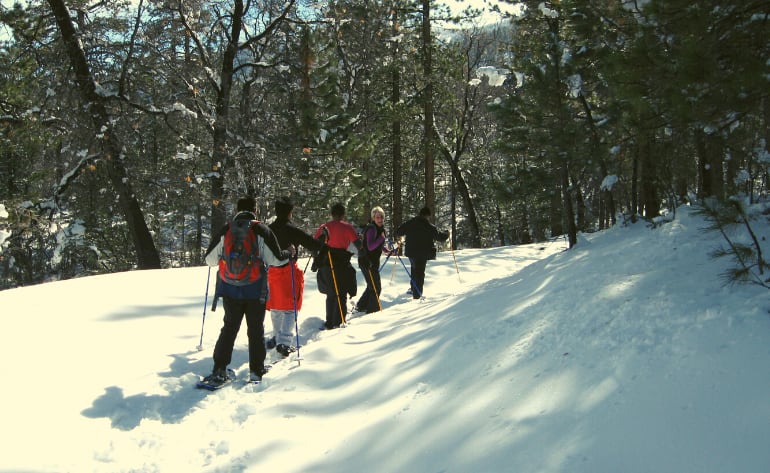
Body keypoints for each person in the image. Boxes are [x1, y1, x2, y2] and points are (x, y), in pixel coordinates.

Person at [202, 196, 294, 385]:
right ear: (255, 210)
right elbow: (276, 259)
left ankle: (219, 368)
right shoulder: (260, 229)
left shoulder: (227, 229)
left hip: (229, 289)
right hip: (255, 290)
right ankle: (256, 370)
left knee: (229, 328)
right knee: (255, 329)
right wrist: (289, 252)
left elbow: (209, 260)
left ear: (238, 210)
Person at [266, 196, 325, 357]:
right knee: (291, 307)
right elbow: (312, 244)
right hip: (288, 271)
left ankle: (277, 337)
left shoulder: (268, 229)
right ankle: (284, 342)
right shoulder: (292, 230)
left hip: (271, 272)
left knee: (276, 306)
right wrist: (322, 240)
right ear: (290, 212)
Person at [313, 203, 358, 329]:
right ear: (343, 214)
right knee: (341, 293)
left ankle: (329, 321)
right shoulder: (347, 227)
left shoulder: (324, 227)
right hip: (342, 263)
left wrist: (317, 259)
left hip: (327, 263)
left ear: (332, 214)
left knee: (331, 293)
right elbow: (357, 244)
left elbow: (315, 244)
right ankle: (339, 321)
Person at [395, 206, 449, 300]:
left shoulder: (410, 223)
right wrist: (446, 234)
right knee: (419, 273)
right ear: (427, 216)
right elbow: (439, 237)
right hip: (422, 253)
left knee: (414, 269)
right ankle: (417, 295)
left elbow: (399, 231)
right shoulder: (429, 226)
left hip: (411, 252)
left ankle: (413, 289)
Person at [355, 206, 392, 314]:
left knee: (372, 285)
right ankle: (372, 311)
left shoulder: (380, 229)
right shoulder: (371, 229)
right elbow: (370, 246)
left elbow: (378, 244)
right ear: (373, 218)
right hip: (367, 262)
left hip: (372, 262)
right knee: (376, 287)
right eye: (377, 217)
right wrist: (381, 238)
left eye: (381, 217)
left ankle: (361, 306)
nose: (380, 219)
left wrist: (387, 250)